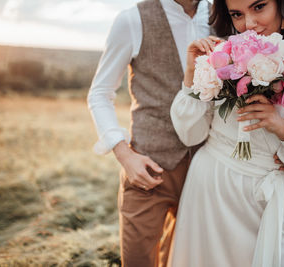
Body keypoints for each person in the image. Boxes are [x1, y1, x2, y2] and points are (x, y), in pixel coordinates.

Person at [168, 0, 284, 266]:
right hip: (215, 186)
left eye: (259, 7)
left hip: (271, 191)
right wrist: (193, 72)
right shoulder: (221, 57)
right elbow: (189, 135)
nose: (248, 24)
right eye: (237, 14)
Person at [87, 0, 212, 266]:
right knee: (138, 261)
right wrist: (125, 155)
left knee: (187, 260)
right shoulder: (132, 19)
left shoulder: (226, 17)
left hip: (207, 169)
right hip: (149, 168)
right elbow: (100, 93)